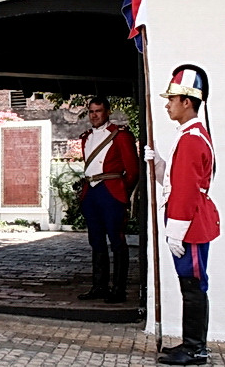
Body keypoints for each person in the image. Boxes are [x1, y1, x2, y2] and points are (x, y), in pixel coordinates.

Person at [145, 64, 220, 365]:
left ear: (186, 101)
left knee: (193, 284)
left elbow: (188, 192)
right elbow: (180, 182)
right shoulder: (190, 135)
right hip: (189, 220)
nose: (166, 105)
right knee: (190, 283)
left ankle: (194, 348)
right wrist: (160, 165)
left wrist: (175, 231)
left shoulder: (191, 139)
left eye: (171, 99)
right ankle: (192, 345)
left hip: (189, 224)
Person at [77, 96, 139, 304]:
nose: (94, 115)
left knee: (117, 240)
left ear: (107, 112)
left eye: (99, 111)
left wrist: (121, 191)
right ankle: (99, 286)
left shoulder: (120, 136)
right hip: (92, 191)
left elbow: (132, 170)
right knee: (96, 241)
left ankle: (118, 289)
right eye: (91, 111)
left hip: (110, 191)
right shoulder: (86, 137)